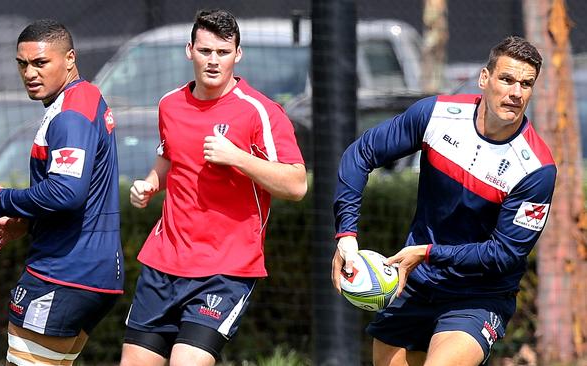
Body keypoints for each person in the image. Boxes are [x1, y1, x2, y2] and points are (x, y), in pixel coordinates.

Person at [331, 35, 556, 366]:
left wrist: (426, 253)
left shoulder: (536, 169)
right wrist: (346, 237)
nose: (516, 93)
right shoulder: (436, 115)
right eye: (507, 79)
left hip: (479, 295)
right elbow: (360, 154)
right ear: (484, 78)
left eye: (526, 84)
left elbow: (504, 254)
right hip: (416, 283)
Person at [120, 8, 307, 366]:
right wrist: (149, 184)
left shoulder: (260, 111)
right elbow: (170, 158)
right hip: (163, 263)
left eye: (223, 52)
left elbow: (297, 185)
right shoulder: (169, 104)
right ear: (189, 50)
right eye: (206, 51)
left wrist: (238, 157)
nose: (213, 61)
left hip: (225, 269)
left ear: (238, 54)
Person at [0, 19, 123, 365]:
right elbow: (82, 193)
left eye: (41, 62)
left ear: (70, 58)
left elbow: (67, 192)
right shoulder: (86, 97)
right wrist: (28, 221)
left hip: (63, 273)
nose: (30, 72)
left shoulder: (70, 115)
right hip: (93, 273)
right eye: (22, 63)